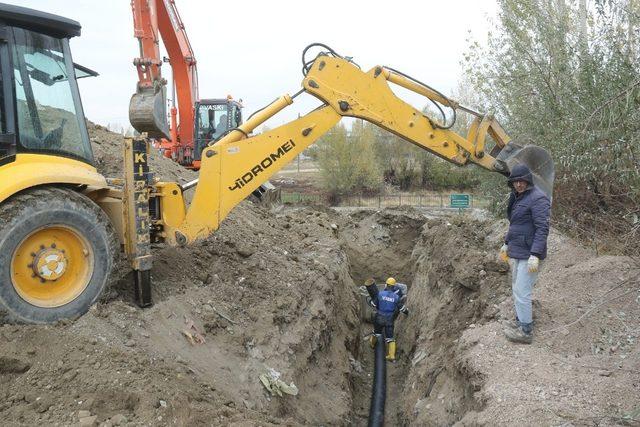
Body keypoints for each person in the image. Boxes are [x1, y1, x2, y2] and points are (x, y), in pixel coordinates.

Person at [499, 164, 551, 344]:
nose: (518, 184)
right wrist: (506, 243)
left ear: (528, 180)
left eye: (521, 181)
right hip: (518, 251)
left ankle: (526, 331)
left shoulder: (538, 198)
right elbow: (516, 224)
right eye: (515, 181)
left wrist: (535, 254)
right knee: (517, 289)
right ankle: (520, 322)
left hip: (530, 254)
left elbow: (542, 228)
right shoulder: (518, 197)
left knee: (522, 291)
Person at [364, 277, 409, 361]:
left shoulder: (380, 294)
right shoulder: (396, 297)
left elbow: (373, 305)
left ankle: (372, 344)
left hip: (379, 318)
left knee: (376, 333)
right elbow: (402, 308)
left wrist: (370, 301)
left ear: (386, 285)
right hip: (389, 319)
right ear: (394, 286)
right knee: (390, 338)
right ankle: (391, 356)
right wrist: (407, 312)